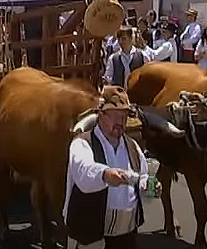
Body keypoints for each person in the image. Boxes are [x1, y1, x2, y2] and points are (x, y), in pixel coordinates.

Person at [63, 86, 149, 248]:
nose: (120, 122)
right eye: (115, 116)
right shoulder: (83, 143)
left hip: (126, 234)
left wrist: (149, 187)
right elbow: (84, 172)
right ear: (101, 115)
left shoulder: (133, 147)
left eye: (123, 117)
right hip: (91, 235)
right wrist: (105, 174)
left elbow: (142, 176)